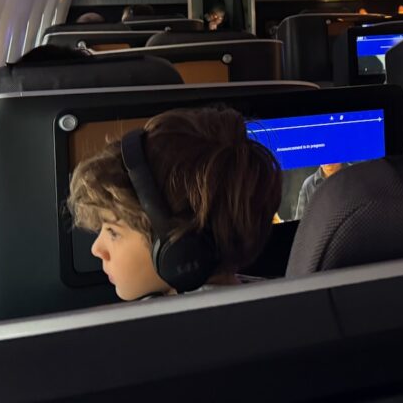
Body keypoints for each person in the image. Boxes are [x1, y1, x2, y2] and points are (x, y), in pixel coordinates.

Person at [68, 108, 281, 300]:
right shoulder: (267, 299)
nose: (97, 249)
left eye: (113, 232)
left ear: (180, 250)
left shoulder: (159, 339)